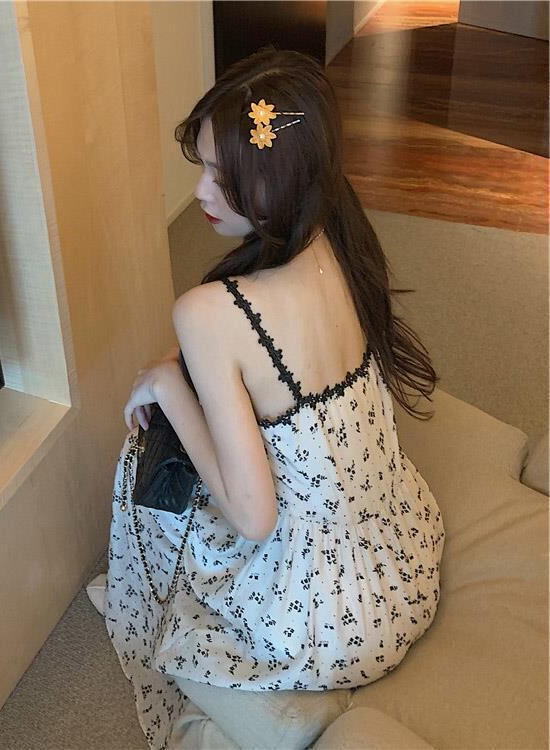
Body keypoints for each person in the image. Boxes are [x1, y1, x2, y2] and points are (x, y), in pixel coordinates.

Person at [101, 47, 445, 750]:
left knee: (142, 457)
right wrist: (183, 368)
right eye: (201, 167)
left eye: (222, 177)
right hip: (400, 567)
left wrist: (167, 385)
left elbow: (255, 518)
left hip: (324, 625)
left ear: (281, 179)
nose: (200, 193)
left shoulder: (208, 311)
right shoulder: (336, 231)